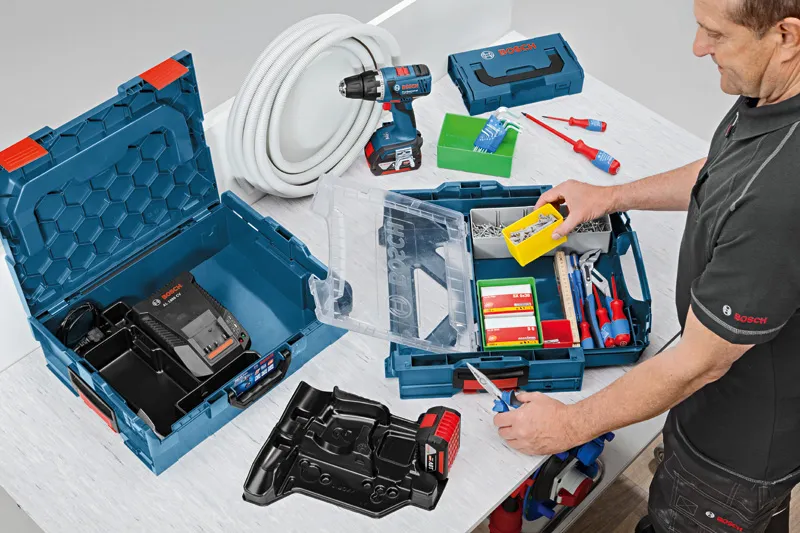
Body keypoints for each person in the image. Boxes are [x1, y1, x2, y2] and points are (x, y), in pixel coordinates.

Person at [493, 1, 800, 531]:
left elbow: (700, 363)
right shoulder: (773, 95)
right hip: (716, 403)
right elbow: (725, 171)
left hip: (732, 454)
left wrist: (567, 425)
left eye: (714, 34)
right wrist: (608, 197)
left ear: (785, 35)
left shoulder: (783, 192)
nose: (698, 49)